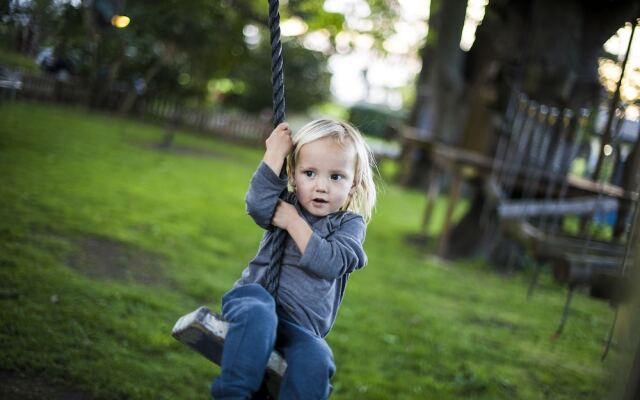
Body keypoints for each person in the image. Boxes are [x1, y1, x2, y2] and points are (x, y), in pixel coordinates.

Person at [211, 119, 377, 399]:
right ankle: (233, 394)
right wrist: (274, 154)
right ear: (293, 174)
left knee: (318, 356)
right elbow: (258, 205)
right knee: (260, 314)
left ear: (353, 184)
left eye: (336, 177)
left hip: (301, 327)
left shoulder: (349, 225)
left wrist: (293, 222)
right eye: (309, 173)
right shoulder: (286, 202)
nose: (321, 186)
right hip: (255, 299)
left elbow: (331, 262)